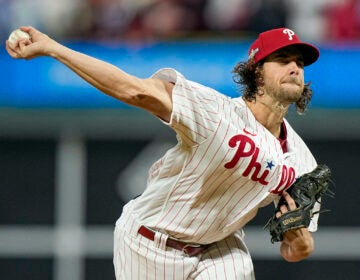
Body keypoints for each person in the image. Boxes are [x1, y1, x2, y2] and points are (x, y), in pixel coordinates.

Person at [6, 26, 321, 279]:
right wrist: (53, 48)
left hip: (218, 249)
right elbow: (134, 89)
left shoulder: (303, 163)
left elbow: (295, 251)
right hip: (148, 242)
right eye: (283, 59)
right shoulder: (215, 113)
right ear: (257, 72)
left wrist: (299, 239)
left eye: (300, 62)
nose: (295, 67)